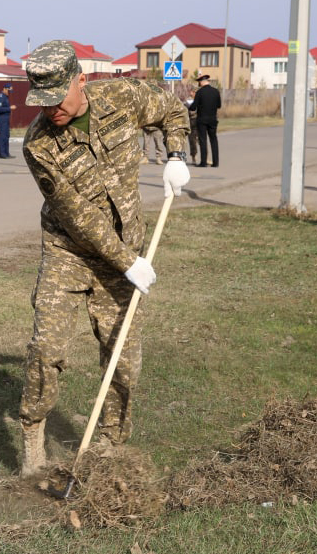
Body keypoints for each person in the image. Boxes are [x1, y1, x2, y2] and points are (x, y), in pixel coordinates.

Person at [16, 40, 191, 477]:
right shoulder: (38, 145)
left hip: (126, 247)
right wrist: (127, 262)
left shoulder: (121, 97)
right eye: (41, 101)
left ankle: (110, 446)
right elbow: (79, 219)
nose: (50, 108)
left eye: (57, 97)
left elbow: (171, 108)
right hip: (68, 252)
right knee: (47, 346)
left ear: (81, 80)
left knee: (124, 356)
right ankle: (34, 439)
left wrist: (175, 154)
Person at [188, 73, 221, 167]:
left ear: (202, 82)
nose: (199, 84)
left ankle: (203, 162)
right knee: (213, 139)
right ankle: (215, 162)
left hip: (202, 119)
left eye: (199, 82)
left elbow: (193, 107)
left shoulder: (200, 92)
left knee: (203, 140)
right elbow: (219, 105)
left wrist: (189, 107)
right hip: (213, 119)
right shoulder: (216, 91)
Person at [0, 83, 17, 158]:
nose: (9, 93)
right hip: (2, 118)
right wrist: (10, 108)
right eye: (8, 91)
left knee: (7, 136)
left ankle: (6, 153)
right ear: (5, 89)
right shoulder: (0, 97)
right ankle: (2, 154)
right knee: (3, 136)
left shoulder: (5, 97)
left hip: (6, 118)